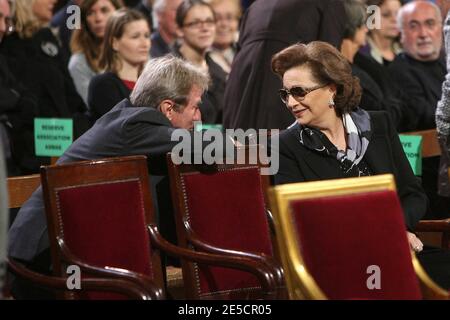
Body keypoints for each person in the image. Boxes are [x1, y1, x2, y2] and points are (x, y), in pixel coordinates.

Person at [8, 55, 208, 299]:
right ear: (168, 108)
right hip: (44, 260)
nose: (199, 118)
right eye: (195, 107)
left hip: (72, 253)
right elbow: (205, 145)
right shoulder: (134, 125)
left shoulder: (130, 118)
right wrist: (242, 143)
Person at [271, 41, 450, 290]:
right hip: (341, 260)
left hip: (398, 247)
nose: (291, 103)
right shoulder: (285, 146)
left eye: (299, 92)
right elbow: (299, 222)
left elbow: (413, 195)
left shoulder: (378, 124)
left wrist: (396, 230)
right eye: (285, 94)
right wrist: (381, 236)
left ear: (332, 89)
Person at [223, 0, 348, 130]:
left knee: (246, 148)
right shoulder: (329, 3)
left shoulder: (256, 6)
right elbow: (331, 67)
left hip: (240, 101)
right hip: (285, 100)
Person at [0, 0, 89, 173]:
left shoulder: (45, 36)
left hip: (68, 144)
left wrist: (79, 129)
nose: (54, 1)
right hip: (27, 155)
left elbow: (72, 96)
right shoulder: (7, 43)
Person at [388, 0, 447, 218]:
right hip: (428, 176)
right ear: (401, 34)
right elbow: (426, 114)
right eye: (414, 26)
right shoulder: (397, 72)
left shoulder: (446, 64)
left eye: (429, 23)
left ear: (440, 28)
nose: (423, 33)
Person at [340, 0, 403, 128]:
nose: (366, 28)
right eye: (363, 23)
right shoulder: (344, 73)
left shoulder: (369, 66)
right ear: (351, 26)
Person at [87, 8, 151, 121]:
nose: (144, 43)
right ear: (114, 43)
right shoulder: (103, 85)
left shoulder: (153, 84)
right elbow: (124, 129)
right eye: (135, 37)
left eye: (146, 36)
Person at [173, 0, 226, 124]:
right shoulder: (171, 72)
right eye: (196, 23)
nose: (205, 28)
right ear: (180, 29)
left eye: (209, 21)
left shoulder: (218, 71)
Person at [69, 0, 122, 105]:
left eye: (104, 10)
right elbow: (94, 106)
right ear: (84, 21)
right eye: (90, 13)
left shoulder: (134, 51)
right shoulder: (79, 62)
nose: (98, 18)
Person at [360, 0, 402, 65]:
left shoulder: (406, 52)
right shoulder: (360, 52)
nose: (395, 19)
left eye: (399, 14)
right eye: (386, 15)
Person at [208, 0, 242, 74]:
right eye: (217, 19)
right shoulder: (200, 57)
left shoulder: (244, 49)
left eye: (229, 18)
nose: (224, 24)